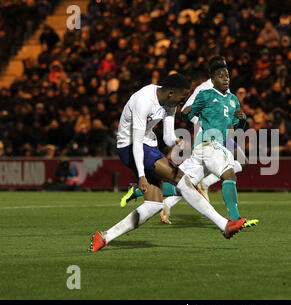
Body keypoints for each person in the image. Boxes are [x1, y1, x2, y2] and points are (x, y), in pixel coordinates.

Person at [89, 73, 246, 252]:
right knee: (183, 180)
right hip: (130, 146)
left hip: (148, 145)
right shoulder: (144, 100)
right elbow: (137, 142)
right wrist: (141, 175)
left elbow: (167, 136)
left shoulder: (169, 104)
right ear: (171, 93)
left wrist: (176, 141)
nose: (181, 103)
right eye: (181, 98)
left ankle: (104, 237)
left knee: (154, 205)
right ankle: (224, 225)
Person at [121, 57, 256, 228]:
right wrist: (202, 123)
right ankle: (235, 218)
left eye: (227, 73)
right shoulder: (204, 90)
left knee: (183, 183)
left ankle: (141, 189)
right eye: (221, 73)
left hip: (221, 139)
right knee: (229, 172)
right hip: (208, 140)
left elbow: (238, 126)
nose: (226, 77)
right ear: (213, 74)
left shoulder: (230, 96)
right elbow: (186, 110)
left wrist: (243, 120)